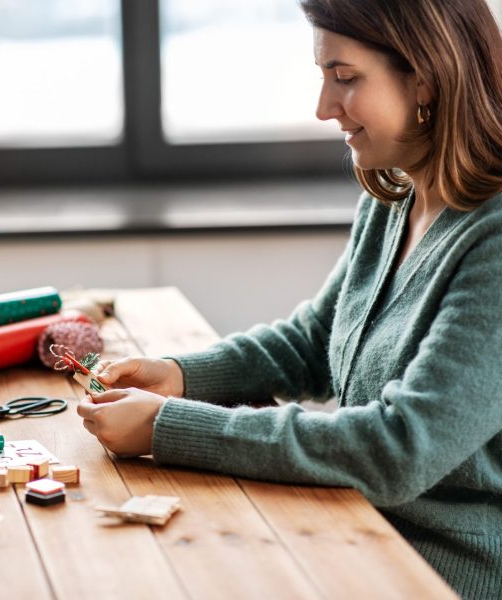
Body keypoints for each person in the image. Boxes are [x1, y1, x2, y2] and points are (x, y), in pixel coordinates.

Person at [76, 1, 502, 597]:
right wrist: (178, 376)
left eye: (345, 77)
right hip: (353, 530)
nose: (324, 107)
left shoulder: (494, 242)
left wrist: (168, 428)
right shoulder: (397, 194)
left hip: (437, 575)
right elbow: (315, 341)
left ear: (426, 77)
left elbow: (399, 448)